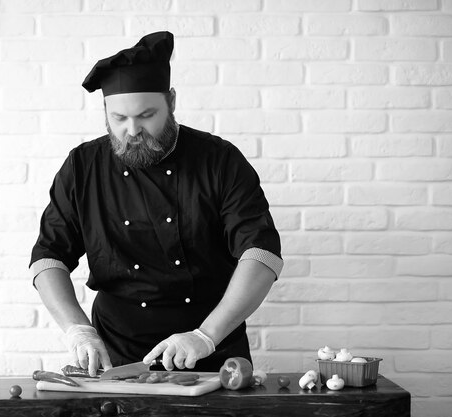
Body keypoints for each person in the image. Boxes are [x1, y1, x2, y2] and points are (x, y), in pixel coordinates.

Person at [30, 31, 283, 377]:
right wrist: (78, 329)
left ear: (172, 101)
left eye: (146, 115)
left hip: (211, 355)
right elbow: (48, 256)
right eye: (119, 118)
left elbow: (261, 253)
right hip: (116, 356)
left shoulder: (220, 161)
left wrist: (204, 336)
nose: (132, 130)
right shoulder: (83, 166)